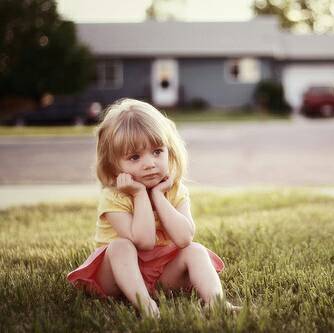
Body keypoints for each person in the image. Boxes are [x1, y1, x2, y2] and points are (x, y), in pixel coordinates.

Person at [67, 98, 238, 317]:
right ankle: (145, 304)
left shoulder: (174, 190)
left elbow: (185, 238)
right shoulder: (114, 197)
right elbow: (144, 241)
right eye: (135, 157)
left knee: (196, 250)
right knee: (120, 246)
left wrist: (158, 195)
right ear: (114, 165)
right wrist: (139, 194)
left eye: (157, 152)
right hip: (120, 277)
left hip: (161, 274)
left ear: (170, 151)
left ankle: (217, 303)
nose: (149, 163)